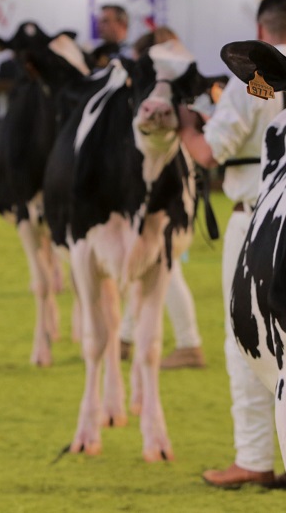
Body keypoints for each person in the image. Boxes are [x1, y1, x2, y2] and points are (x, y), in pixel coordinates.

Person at [177, 0, 286, 488]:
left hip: (255, 219)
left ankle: (254, 457)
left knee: (246, 338)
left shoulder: (252, 77)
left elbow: (210, 153)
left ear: (260, 30)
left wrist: (187, 127)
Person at [116, 26, 206, 370]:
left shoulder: (166, 89)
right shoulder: (181, 82)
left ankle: (189, 343)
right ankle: (124, 338)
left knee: (163, 264)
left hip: (167, 187)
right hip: (178, 182)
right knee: (152, 265)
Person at [89, 4, 131, 70]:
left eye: (105, 21)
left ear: (122, 24)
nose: (99, 25)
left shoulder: (132, 54)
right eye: (99, 22)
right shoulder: (97, 52)